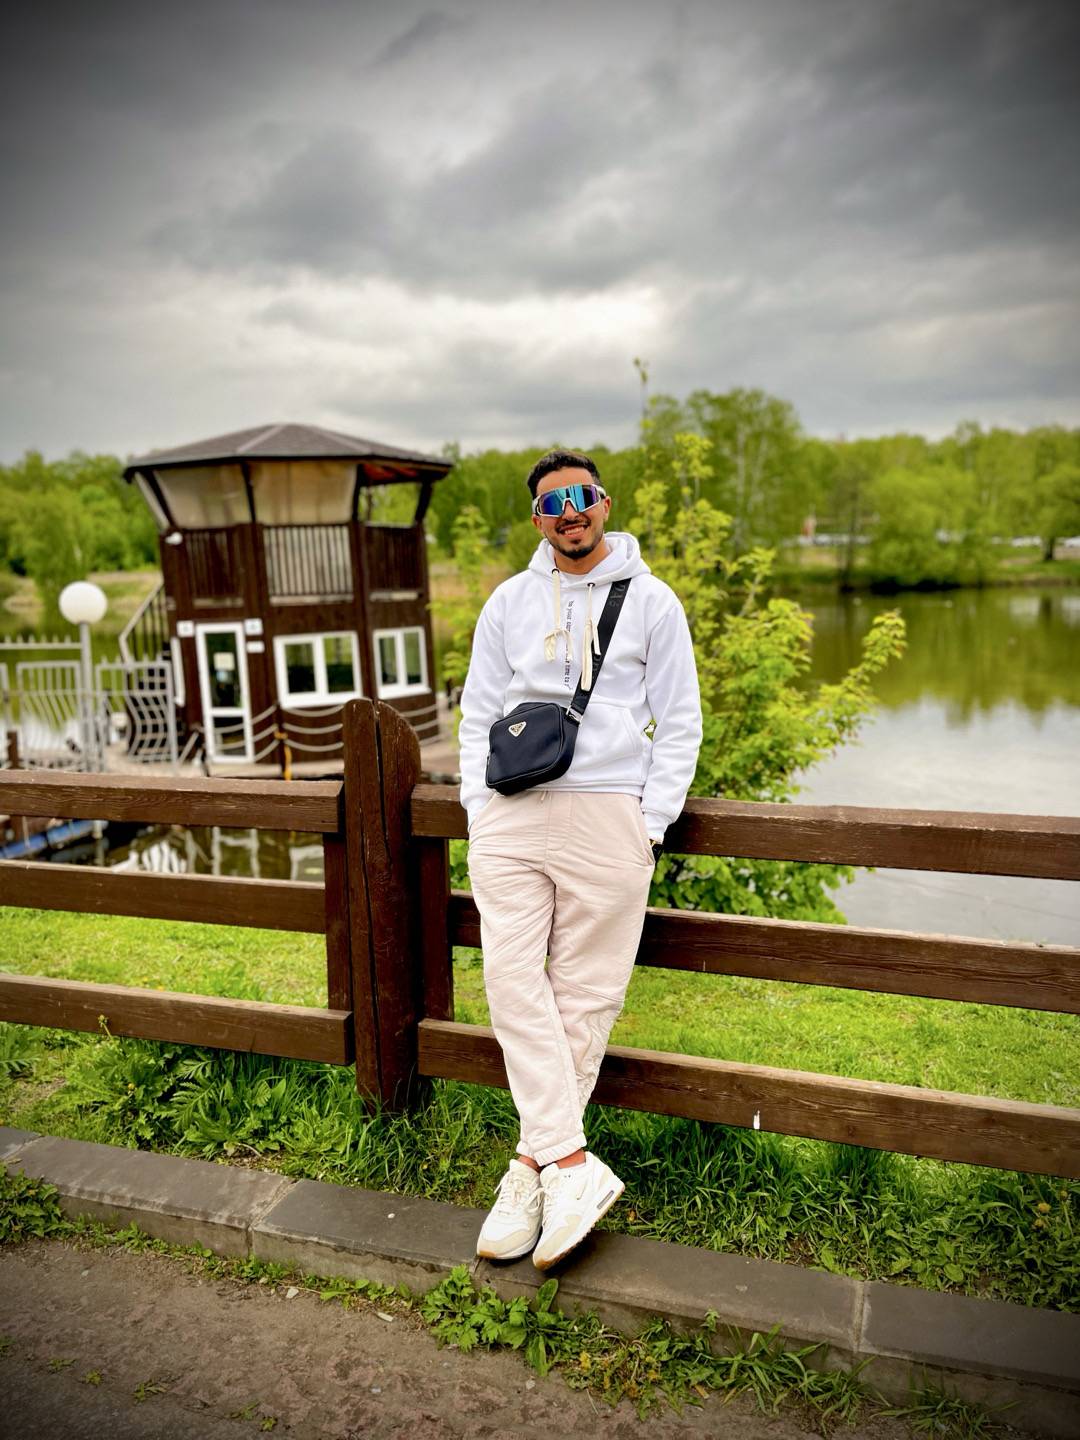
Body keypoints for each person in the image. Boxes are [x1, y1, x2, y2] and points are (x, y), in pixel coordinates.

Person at [458, 449, 702, 1270]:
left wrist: (651, 823)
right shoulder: (509, 601)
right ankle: (570, 1162)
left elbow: (680, 718)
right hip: (511, 813)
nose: (570, 512)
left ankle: (531, 1168)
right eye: (552, 503)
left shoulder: (653, 602)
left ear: (604, 504)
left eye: (581, 497)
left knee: (586, 995)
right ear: (537, 520)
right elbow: (476, 714)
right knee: (510, 982)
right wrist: (478, 809)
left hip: (609, 813)